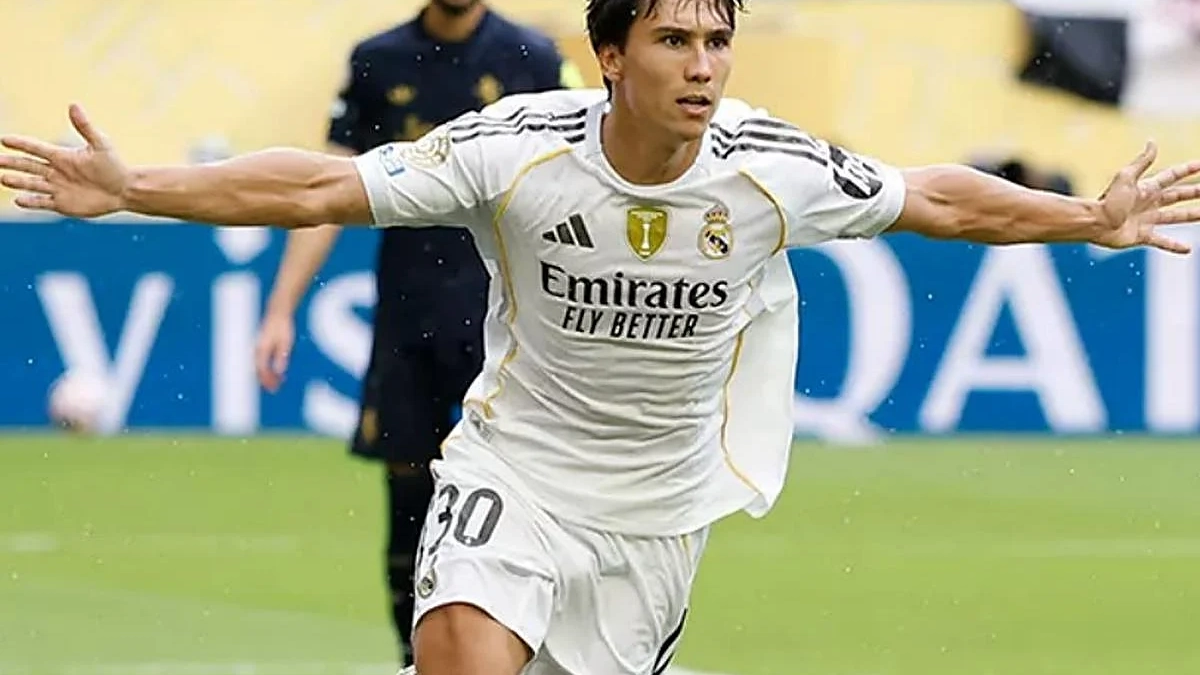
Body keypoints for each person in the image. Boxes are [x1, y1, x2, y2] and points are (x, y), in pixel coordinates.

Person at [3, 0, 1199, 671]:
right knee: (459, 658)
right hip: (512, 474)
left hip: (657, 512)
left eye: (717, 41)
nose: (704, 66)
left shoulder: (769, 169)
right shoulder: (515, 144)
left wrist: (1089, 216)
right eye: (676, 41)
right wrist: (141, 186)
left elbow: (936, 196)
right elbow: (322, 186)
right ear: (612, 54)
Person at [252, 0, 580, 665]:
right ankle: (414, 654)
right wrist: (281, 304)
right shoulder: (377, 61)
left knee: (534, 486)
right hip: (412, 313)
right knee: (409, 493)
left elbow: (581, 180)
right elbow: (326, 188)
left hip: (513, 322)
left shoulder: (534, 59)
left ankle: (541, 646)